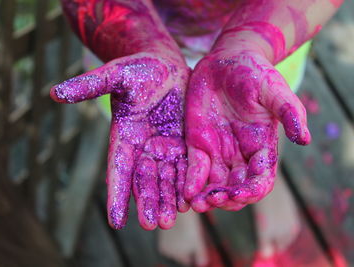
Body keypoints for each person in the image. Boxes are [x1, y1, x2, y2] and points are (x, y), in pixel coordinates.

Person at [50, 0, 344, 265]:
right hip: (132, 50)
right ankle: (180, 206)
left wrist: (251, 43)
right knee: (159, 139)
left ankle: (267, 177)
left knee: (259, 117)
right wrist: (142, 46)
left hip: (269, 40)